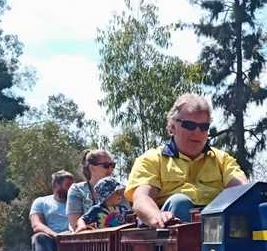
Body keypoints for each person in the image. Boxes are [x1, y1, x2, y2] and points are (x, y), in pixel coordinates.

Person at [125, 93, 247, 227]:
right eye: (189, 125)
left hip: (217, 228)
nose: (197, 132)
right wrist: (157, 216)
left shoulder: (222, 160)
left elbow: (243, 190)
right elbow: (142, 199)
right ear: (172, 127)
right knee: (180, 203)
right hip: (166, 235)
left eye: (204, 127)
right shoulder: (151, 159)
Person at [29, 170, 74, 251]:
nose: (71, 189)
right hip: (53, 241)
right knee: (39, 237)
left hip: (74, 239)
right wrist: (56, 235)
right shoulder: (41, 202)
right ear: (57, 185)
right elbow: (36, 225)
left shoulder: (77, 203)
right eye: (68, 185)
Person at [66, 149, 116, 231]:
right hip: (87, 240)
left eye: (113, 165)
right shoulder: (77, 190)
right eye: (106, 165)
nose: (111, 169)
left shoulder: (118, 190)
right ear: (92, 168)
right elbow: (75, 224)